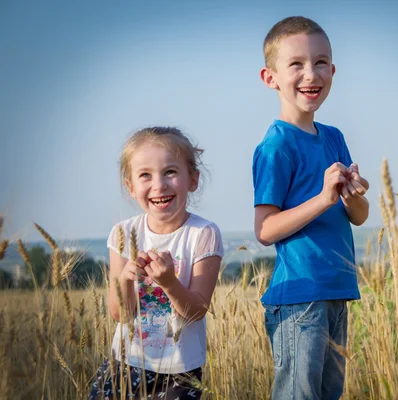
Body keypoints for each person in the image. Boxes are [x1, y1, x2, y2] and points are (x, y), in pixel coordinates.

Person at [252, 16, 370, 400]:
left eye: (320, 62)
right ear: (270, 78)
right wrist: (322, 198)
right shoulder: (275, 147)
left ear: (333, 70)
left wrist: (352, 196)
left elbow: (358, 216)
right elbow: (265, 230)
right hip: (299, 298)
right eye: (296, 64)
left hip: (337, 290)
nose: (310, 73)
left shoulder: (334, 137)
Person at [89, 126, 223, 399]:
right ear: (131, 187)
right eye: (145, 175)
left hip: (180, 372)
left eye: (170, 172)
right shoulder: (123, 234)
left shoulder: (203, 234)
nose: (159, 185)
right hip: (126, 365)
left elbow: (196, 310)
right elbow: (120, 314)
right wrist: (126, 279)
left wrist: (169, 282)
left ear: (193, 179)